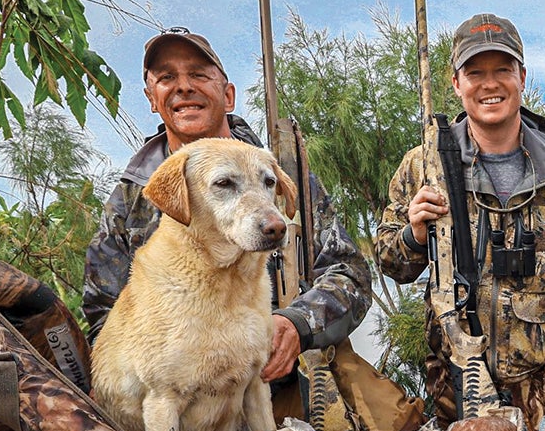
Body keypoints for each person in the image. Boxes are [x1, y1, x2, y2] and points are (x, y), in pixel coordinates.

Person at [82, 27, 371, 383]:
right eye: (167, 77)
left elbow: (351, 275)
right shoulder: (132, 198)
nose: (184, 86)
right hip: (180, 396)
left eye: (199, 75)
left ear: (228, 95)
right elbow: (103, 315)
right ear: (152, 99)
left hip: (285, 381)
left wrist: (297, 325)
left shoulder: (279, 173)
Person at [374, 14, 545, 424]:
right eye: (475, 72)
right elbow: (389, 261)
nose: (490, 84)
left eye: (502, 70)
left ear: (522, 76)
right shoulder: (424, 166)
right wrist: (415, 234)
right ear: (456, 83)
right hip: (460, 380)